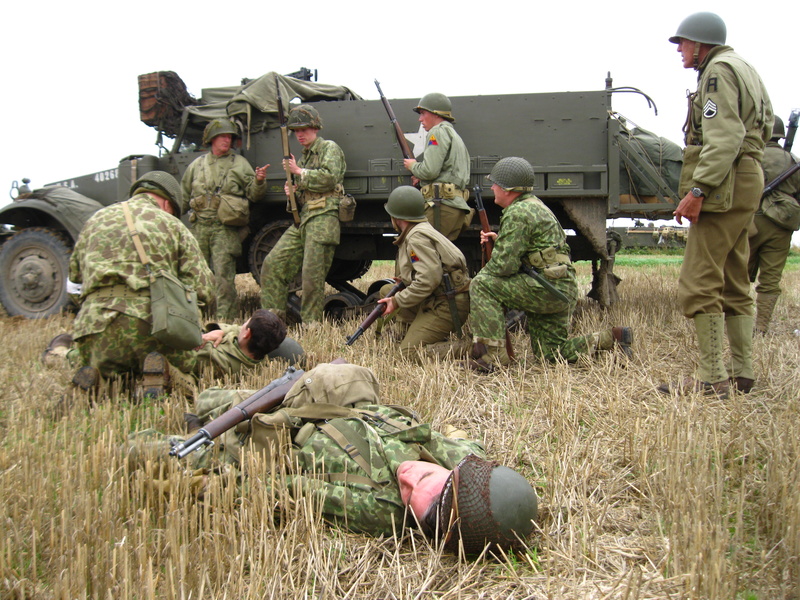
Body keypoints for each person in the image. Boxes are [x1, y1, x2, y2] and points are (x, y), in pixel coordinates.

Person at [125, 362, 539, 555]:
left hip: (283, 436)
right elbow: (469, 447)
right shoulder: (464, 464)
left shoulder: (378, 510)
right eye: (433, 482)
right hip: (329, 403)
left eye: (423, 509)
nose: (411, 482)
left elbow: (280, 490)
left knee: (143, 452)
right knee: (219, 400)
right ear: (460, 474)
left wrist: (204, 486)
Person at [659, 12, 773, 398]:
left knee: (700, 280)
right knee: (735, 276)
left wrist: (698, 189)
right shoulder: (746, 69)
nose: (680, 51)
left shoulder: (716, 72)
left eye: (683, 44)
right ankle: (743, 372)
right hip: (747, 178)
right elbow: (766, 127)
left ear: (701, 43)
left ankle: (711, 377)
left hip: (724, 182)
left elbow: (724, 137)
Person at [465, 157, 633, 372]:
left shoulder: (518, 212)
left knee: (482, 284)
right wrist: (501, 241)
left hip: (545, 288)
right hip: (559, 288)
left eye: (495, 183)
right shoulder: (533, 206)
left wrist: (494, 258)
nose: (492, 187)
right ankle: (613, 338)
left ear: (508, 188)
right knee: (552, 354)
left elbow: (502, 267)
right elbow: (535, 248)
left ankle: (493, 358)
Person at [64, 171, 215, 389]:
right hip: (154, 328)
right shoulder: (173, 226)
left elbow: (74, 285)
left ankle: (98, 382)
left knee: (107, 372)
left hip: (95, 326)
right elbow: (203, 289)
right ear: (166, 203)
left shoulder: (94, 220)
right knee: (190, 375)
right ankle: (165, 376)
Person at [260, 105, 346, 324]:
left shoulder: (329, 148)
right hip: (304, 218)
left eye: (304, 129)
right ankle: (271, 323)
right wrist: (294, 192)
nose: (300, 134)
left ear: (315, 128)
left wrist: (299, 172)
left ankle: (312, 327)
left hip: (323, 217)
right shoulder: (304, 158)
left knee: (311, 278)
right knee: (272, 264)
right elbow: (302, 195)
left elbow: (330, 178)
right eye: (296, 130)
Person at [181, 118, 269, 321]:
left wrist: (259, 181)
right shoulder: (196, 166)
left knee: (224, 279)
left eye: (230, 137)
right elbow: (183, 197)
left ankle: (225, 322)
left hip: (224, 229)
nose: (227, 140)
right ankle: (194, 320)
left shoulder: (239, 164)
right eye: (222, 136)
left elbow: (254, 195)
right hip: (200, 227)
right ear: (211, 139)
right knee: (194, 276)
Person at [377, 186, 470, 361]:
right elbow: (429, 271)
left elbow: (428, 279)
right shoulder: (420, 228)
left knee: (408, 354)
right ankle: (409, 331)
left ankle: (472, 347)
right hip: (440, 295)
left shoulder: (416, 237)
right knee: (387, 290)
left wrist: (397, 301)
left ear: (396, 217)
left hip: (446, 303)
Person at [138, 309, 305, 396]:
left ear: (246, 334)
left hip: (192, 371)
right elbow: (239, 330)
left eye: (245, 325)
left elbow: (188, 355)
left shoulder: (216, 359)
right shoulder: (259, 350)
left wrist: (198, 338)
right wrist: (222, 331)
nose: (240, 326)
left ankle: (165, 378)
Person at [747, 116, 800, 334]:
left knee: (737, 274)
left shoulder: (749, 157)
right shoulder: (792, 160)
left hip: (749, 220)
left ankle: (735, 322)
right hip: (782, 223)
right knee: (770, 280)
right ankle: (761, 327)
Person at [403, 93, 473, 241]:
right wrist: (422, 181)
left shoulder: (437, 132)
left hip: (441, 206)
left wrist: (413, 166)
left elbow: (429, 171)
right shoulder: (452, 134)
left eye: (423, 113)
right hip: (451, 205)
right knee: (440, 254)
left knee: (423, 250)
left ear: (436, 114)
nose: (420, 119)